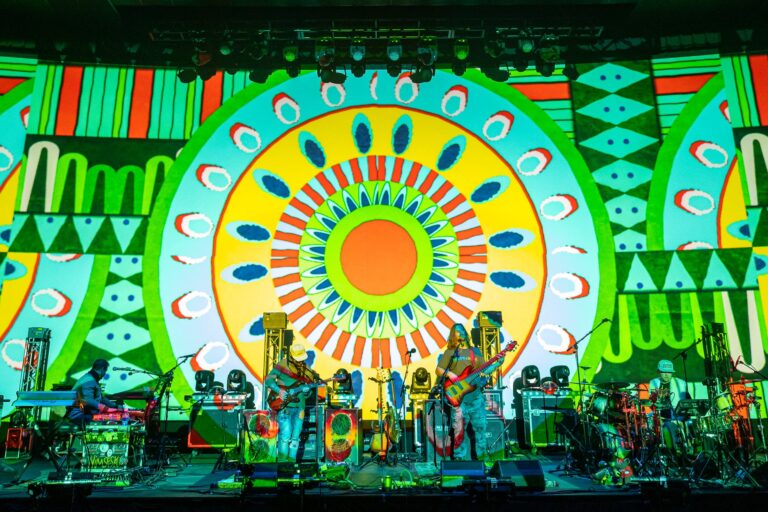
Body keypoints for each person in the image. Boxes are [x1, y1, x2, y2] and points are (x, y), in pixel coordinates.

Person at [435, 324, 489, 461]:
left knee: (480, 428)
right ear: (453, 335)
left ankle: (482, 458)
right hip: (459, 399)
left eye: (463, 330)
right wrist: (450, 374)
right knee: (459, 430)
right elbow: (439, 370)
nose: (462, 332)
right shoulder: (450, 352)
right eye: (458, 331)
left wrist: (488, 373)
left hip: (475, 397)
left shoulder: (475, 351)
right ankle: (460, 459)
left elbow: (484, 369)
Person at [264, 343, 317, 462]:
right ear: (292, 356)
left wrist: (307, 392)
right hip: (285, 406)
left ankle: (291, 464)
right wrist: (279, 390)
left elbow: (309, 393)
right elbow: (268, 380)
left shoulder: (307, 370)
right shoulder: (282, 365)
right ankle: (283, 464)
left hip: (300, 407)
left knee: (295, 438)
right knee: (285, 436)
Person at [648, 359, 689, 454]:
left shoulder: (681, 383)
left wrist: (681, 420)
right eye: (663, 372)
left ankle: (682, 448)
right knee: (648, 420)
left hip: (677, 416)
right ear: (659, 372)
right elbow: (653, 403)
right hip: (661, 415)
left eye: (669, 372)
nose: (666, 374)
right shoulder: (654, 383)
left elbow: (686, 404)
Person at [67, 359, 122, 425]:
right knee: (108, 421)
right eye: (105, 371)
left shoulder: (90, 378)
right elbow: (87, 400)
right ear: (102, 369)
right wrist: (103, 407)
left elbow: (101, 398)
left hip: (84, 413)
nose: (104, 374)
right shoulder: (89, 380)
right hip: (79, 415)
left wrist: (114, 406)